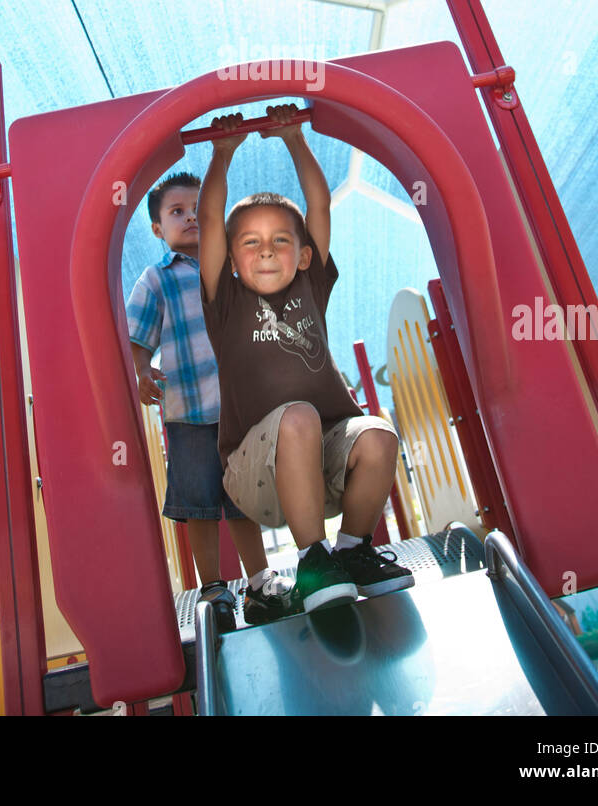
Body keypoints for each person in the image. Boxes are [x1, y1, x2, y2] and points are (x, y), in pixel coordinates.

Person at [198, 105, 414, 614]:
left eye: (280, 242)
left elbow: (319, 207)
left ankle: (354, 549)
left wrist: (296, 138)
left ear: (305, 256)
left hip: (323, 465)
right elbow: (210, 219)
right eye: (250, 244)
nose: (267, 252)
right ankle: (312, 558)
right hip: (255, 474)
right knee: (298, 416)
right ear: (231, 261)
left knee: (378, 434)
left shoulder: (310, 288)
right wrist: (222, 154)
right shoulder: (225, 304)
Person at [126, 171, 294, 629]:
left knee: (244, 498)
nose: (189, 218)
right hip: (189, 413)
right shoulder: (156, 280)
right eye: (176, 212)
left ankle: (259, 581)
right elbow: (138, 340)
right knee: (198, 503)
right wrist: (141, 371)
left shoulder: (232, 268)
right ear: (158, 229)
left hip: (240, 412)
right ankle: (214, 587)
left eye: (197, 209)